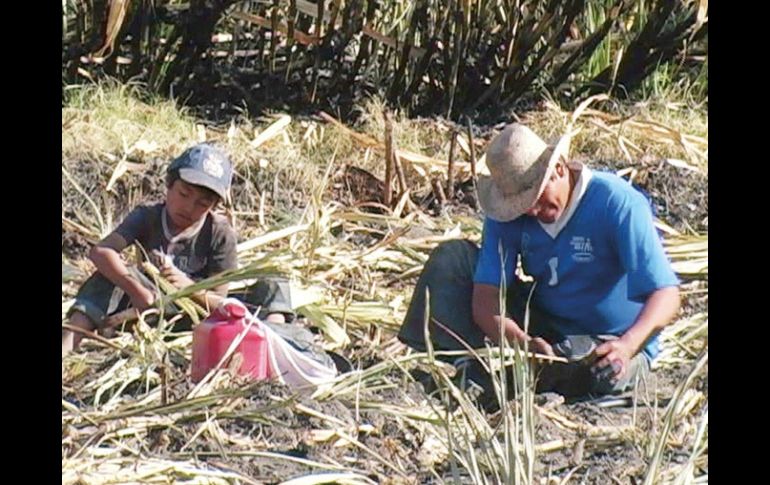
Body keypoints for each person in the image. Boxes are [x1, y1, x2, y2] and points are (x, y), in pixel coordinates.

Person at [398, 123, 680, 398]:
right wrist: (521, 342)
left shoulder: (617, 203)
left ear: (559, 169)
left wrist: (627, 345)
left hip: (611, 338)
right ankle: (469, 363)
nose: (532, 210)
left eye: (536, 198)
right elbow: (486, 298)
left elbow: (666, 294)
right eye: (521, 205)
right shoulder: (509, 215)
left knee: (601, 374)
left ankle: (536, 380)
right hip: (545, 322)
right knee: (453, 260)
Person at [62, 143, 289, 356]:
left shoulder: (220, 233)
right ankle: (68, 344)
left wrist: (187, 286)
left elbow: (219, 299)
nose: (189, 207)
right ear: (169, 185)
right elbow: (102, 251)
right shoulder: (147, 217)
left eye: (202, 203)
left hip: (197, 317)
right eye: (183, 194)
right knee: (104, 278)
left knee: (273, 283)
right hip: (148, 309)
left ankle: (273, 346)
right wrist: (137, 291)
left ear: (213, 206)